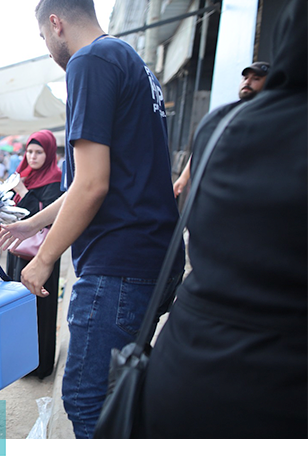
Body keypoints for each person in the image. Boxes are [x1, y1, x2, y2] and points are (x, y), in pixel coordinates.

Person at [0, 0, 183, 438]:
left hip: (119, 264)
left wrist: (43, 256)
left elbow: (92, 186)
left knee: (86, 399)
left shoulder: (90, 61)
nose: (46, 48)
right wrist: (31, 224)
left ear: (56, 24)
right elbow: (91, 179)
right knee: (120, 392)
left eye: (43, 37)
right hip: (153, 256)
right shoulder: (128, 58)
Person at [136, 0, 306, 439]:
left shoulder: (218, 126)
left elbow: (196, 204)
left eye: (255, 75)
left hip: (184, 370)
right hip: (279, 394)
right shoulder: (221, 124)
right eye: (244, 75)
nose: (247, 81)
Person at [6, 130, 63, 379]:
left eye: (39, 152)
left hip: (40, 255)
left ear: (49, 153)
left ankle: (39, 365)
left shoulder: (56, 180)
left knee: (39, 309)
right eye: (29, 151)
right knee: (16, 307)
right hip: (17, 252)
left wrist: (24, 192)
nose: (33, 156)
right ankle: (18, 363)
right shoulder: (22, 175)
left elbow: (46, 217)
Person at [173, 60, 270, 197]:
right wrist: (183, 178)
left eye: (256, 79)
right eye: (245, 78)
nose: (248, 82)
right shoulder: (226, 114)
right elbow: (206, 146)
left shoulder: (271, 120)